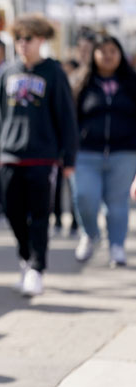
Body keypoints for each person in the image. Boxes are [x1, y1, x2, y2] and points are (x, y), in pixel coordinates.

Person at [0, 14, 78, 297]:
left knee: (39, 216)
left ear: (41, 40)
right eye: (19, 39)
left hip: (43, 156)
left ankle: (37, 268)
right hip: (9, 155)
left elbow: (66, 117)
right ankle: (25, 258)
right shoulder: (6, 73)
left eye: (29, 39)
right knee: (12, 213)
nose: (23, 44)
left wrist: (68, 157)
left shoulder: (54, 72)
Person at [72, 34, 136, 266]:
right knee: (84, 197)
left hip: (124, 153)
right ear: (93, 55)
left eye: (113, 51)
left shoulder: (131, 83)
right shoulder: (80, 82)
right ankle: (90, 234)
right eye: (103, 51)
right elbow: (70, 119)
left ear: (121, 54)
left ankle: (117, 245)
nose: (108, 56)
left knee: (118, 203)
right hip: (86, 153)